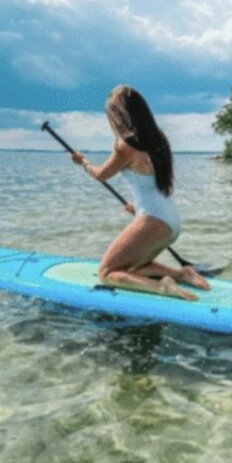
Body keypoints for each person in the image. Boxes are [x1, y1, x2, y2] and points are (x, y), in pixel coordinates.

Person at [69, 85, 211, 301]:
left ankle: (161, 287)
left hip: (154, 221)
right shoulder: (159, 139)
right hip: (170, 221)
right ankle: (182, 274)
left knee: (107, 273)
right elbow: (151, 184)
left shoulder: (125, 146)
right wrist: (137, 208)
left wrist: (83, 162)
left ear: (119, 116)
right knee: (134, 267)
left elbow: (101, 175)